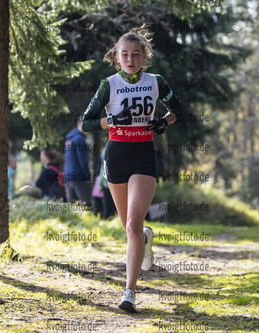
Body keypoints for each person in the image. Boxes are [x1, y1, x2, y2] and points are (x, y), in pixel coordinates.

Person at [81, 25, 182, 313]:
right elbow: (85, 123)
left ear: (144, 56)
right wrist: (112, 121)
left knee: (134, 225)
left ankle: (130, 292)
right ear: (117, 57)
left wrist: (165, 121)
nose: (130, 59)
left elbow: (178, 108)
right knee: (129, 228)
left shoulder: (155, 81)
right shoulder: (108, 84)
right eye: (124, 54)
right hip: (116, 156)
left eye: (136, 54)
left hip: (143, 156)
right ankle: (145, 239)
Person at [63, 116, 91, 205]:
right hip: (79, 177)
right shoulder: (80, 139)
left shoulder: (69, 139)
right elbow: (82, 161)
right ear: (79, 124)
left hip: (68, 176)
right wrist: (87, 176)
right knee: (85, 204)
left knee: (71, 206)